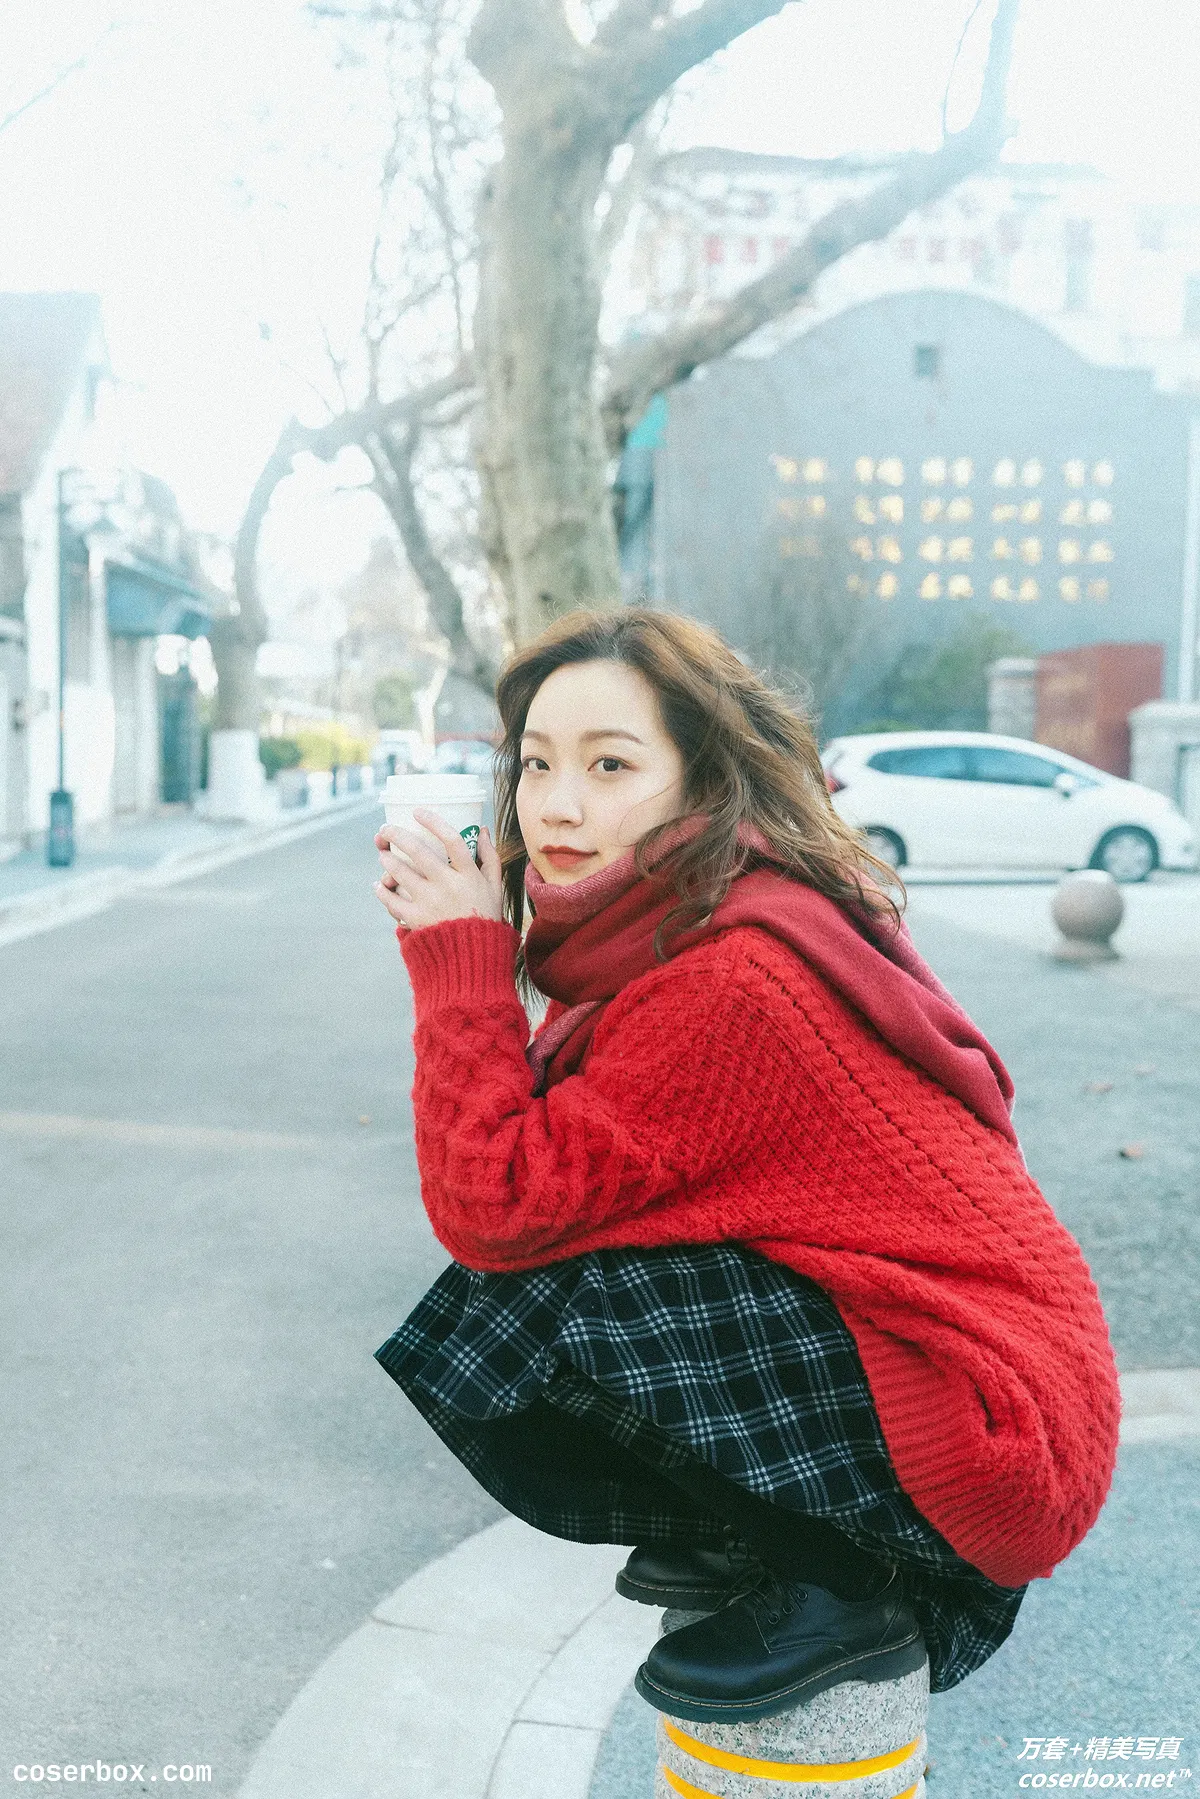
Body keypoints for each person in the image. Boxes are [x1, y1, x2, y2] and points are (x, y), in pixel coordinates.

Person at [371, 607, 1120, 1724]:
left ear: (705, 783)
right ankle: (750, 1532)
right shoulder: (680, 917)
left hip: (994, 1421)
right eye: (536, 764)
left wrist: (459, 960)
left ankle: (844, 1584)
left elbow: (495, 1198)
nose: (558, 804)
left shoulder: (731, 976)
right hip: (967, 1371)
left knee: (535, 1286)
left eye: (610, 765)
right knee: (566, 1252)